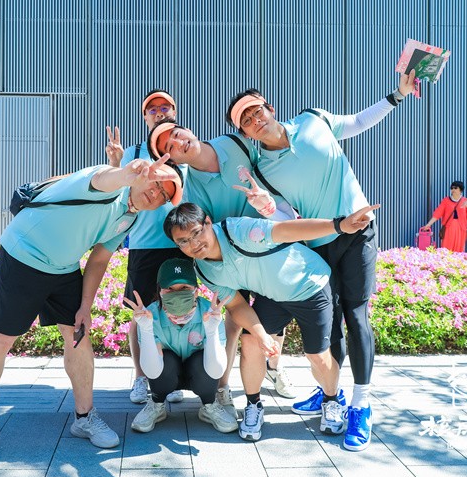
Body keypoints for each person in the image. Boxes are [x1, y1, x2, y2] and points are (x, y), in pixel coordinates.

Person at [225, 70, 416, 451]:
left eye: (256, 111)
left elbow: (357, 122)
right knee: (331, 325)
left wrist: (397, 95)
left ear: (269, 108)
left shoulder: (313, 119)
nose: (254, 120)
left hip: (359, 231)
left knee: (356, 315)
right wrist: (265, 206)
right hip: (319, 244)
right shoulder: (262, 169)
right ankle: (331, 393)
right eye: (245, 120)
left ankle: (360, 404)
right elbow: (287, 219)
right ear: (245, 133)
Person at [0, 157, 183, 468]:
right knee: (0, 341)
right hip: (23, 256)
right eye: (156, 183)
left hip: (63, 268)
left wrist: (84, 306)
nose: (155, 192)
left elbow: (99, 259)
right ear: (142, 175)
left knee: (78, 336)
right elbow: (102, 179)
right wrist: (124, 174)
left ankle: (84, 417)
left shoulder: (130, 218)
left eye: (164, 194)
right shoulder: (106, 185)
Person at [163, 201, 378, 444]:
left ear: (208, 223)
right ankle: (253, 405)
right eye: (183, 241)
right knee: (251, 342)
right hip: (272, 296)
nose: (193, 244)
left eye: (196, 233)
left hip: (310, 285)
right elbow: (237, 305)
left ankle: (331, 399)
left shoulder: (238, 231)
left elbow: (286, 230)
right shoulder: (204, 271)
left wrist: (339, 226)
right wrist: (262, 336)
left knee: (317, 355)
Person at [148, 120, 298, 412]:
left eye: (177, 134)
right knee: (233, 320)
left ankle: (274, 367)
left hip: (266, 247)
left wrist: (280, 210)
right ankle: (222, 387)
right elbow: (201, 234)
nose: (178, 143)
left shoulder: (233, 143)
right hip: (230, 258)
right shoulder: (192, 190)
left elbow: (267, 171)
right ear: (172, 160)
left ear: (188, 129)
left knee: (274, 313)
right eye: (169, 148)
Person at [105, 89, 186, 406]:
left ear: (174, 113)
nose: (160, 112)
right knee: (141, 314)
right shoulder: (134, 153)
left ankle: (171, 378)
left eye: (166, 107)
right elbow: (116, 190)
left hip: (179, 244)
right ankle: (141, 377)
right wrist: (115, 164)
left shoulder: (184, 150)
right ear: (145, 117)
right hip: (143, 245)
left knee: (177, 313)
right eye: (153, 109)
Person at [125, 258, 237, 434]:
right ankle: (156, 404)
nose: (177, 294)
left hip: (199, 373)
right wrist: (146, 329)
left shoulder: (210, 313)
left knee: (202, 359)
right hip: (167, 374)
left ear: (196, 291)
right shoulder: (150, 315)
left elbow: (216, 371)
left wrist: (212, 330)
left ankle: (209, 405)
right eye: (170, 288)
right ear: (160, 291)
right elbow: (152, 372)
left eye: (184, 288)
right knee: (166, 359)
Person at [421, 181, 467, 252]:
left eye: (455, 188)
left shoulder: (466, 201)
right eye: (452, 188)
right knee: (446, 248)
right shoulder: (445, 201)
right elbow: (437, 213)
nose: (453, 190)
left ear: (461, 190)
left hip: (461, 228)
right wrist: (429, 224)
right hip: (448, 228)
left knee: (459, 248)